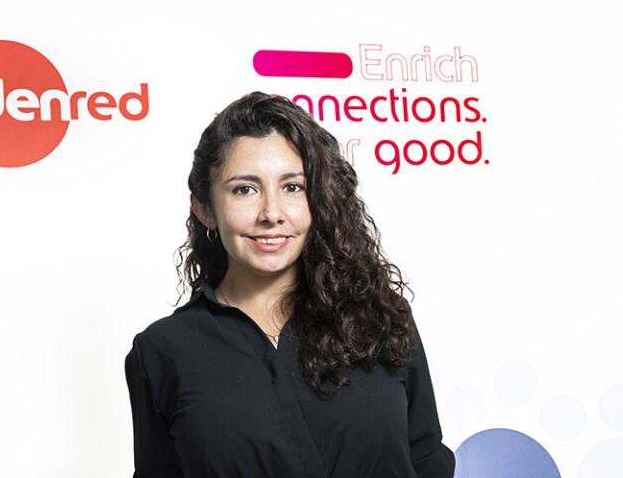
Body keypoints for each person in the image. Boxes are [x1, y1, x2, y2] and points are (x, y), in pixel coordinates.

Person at [124, 92, 455, 478]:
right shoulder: (162, 352)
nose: (272, 214)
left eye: (292, 187)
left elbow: (427, 462)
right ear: (204, 208)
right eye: (244, 189)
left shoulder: (380, 318)